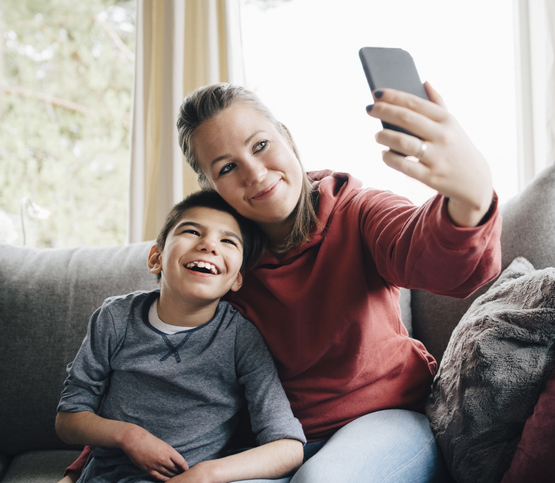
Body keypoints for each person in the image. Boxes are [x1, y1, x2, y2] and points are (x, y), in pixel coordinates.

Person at [65, 80, 502, 482]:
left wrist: (470, 195)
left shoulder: (359, 211)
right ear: (211, 186)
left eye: (261, 145)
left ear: (287, 138)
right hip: (271, 444)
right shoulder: (220, 265)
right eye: (226, 168)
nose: (255, 173)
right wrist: (85, 467)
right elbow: (148, 376)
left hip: (382, 419)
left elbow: (436, 260)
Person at [56, 190, 306, 483]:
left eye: (227, 241)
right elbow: (68, 419)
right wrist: (128, 436)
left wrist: (206, 474)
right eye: (191, 231)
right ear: (156, 259)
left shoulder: (241, 339)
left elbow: (288, 447)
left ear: (237, 279)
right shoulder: (115, 318)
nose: (209, 244)